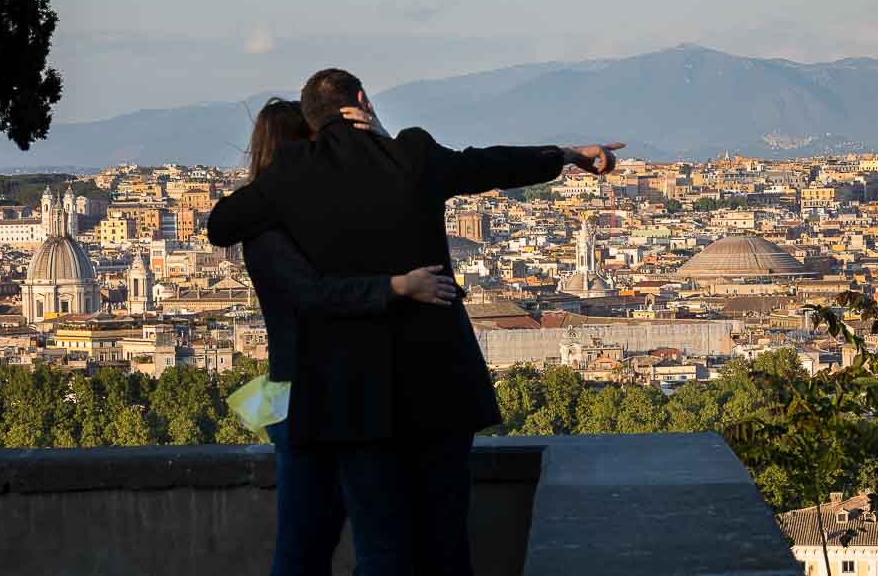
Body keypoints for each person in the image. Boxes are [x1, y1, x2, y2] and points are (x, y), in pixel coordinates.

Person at [207, 69, 623, 575]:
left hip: (355, 393)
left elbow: (222, 224)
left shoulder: (293, 174)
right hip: (439, 381)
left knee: (383, 547)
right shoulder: (411, 154)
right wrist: (567, 155)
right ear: (361, 101)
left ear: (313, 121)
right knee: (447, 540)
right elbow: (486, 165)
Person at [238, 98, 459, 575]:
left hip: (298, 393)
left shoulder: (268, 224)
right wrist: (398, 286)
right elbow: (312, 294)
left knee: (309, 545)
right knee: (368, 545)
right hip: (324, 395)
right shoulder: (279, 228)